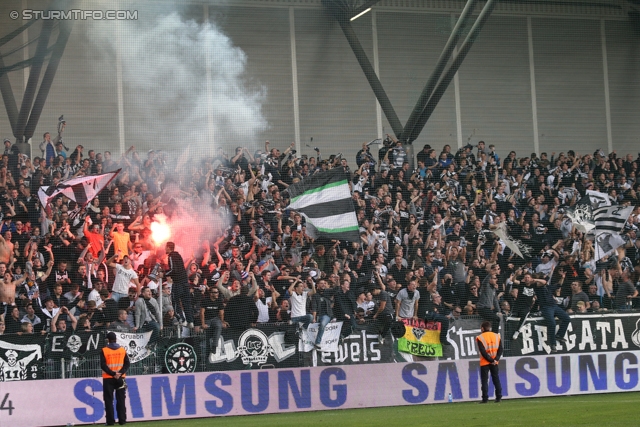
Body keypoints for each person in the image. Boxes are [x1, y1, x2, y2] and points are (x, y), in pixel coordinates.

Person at [100, 331, 130, 426]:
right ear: (116, 339)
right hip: (120, 378)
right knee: (121, 400)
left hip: (108, 378)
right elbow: (127, 364)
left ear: (108, 340)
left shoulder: (104, 350)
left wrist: (113, 374)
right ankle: (122, 420)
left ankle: (110, 421)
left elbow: (103, 365)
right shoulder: (122, 350)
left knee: (109, 400)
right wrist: (119, 373)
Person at [476, 321, 503, 404]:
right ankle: (498, 397)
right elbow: (500, 349)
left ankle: (485, 398)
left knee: (484, 380)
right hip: (495, 362)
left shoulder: (480, 337)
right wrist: (496, 359)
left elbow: (483, 352)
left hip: (485, 362)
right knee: (496, 379)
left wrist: (490, 360)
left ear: (482, 328)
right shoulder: (497, 336)